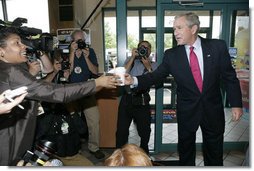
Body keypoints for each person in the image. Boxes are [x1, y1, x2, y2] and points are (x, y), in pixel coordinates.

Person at [124, 12, 243, 166]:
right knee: (186, 152)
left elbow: (230, 77)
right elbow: (156, 76)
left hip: (212, 110)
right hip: (187, 111)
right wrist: (134, 80)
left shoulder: (217, 47)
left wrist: (236, 104)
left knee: (214, 151)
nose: (175, 33)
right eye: (174, 29)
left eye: (179, 28)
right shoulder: (171, 55)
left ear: (193, 29)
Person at [0, 27, 118, 165]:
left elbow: (46, 75)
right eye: (17, 43)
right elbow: (55, 92)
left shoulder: (13, 67)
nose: (24, 46)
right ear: (1, 51)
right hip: (9, 142)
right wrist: (96, 83)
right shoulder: (11, 71)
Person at [66, 29, 105, 159]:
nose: (80, 43)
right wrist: (72, 52)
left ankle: (94, 147)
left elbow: (95, 72)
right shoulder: (67, 52)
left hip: (87, 89)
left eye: (82, 40)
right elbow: (67, 73)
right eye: (77, 40)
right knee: (72, 120)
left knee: (94, 119)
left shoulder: (90, 52)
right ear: (72, 41)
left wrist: (87, 57)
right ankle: (74, 147)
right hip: (71, 90)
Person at [116, 40, 159, 155]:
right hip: (127, 99)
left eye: (147, 47)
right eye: (141, 47)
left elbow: (156, 82)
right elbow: (121, 75)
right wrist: (131, 58)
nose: (144, 49)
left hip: (142, 100)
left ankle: (144, 153)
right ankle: (120, 155)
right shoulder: (131, 61)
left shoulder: (154, 65)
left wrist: (148, 67)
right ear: (137, 49)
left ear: (150, 51)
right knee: (121, 131)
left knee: (145, 131)